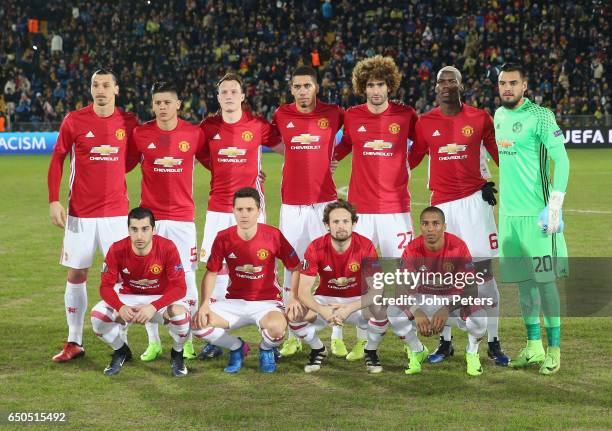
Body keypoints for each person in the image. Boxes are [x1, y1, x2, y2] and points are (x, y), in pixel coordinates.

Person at [409, 66, 509, 365]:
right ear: (435, 87)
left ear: (461, 85)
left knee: (484, 275)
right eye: (442, 81)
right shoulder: (425, 122)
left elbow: (502, 156)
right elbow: (409, 161)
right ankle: (446, 341)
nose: (447, 85)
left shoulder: (480, 118)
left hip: (475, 205)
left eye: (452, 80)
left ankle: (492, 340)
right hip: (443, 207)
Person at [47, 68, 139, 362]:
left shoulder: (128, 121)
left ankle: (120, 342)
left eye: (106, 85)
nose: (100, 90)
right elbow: (57, 159)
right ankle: (74, 341)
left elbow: (136, 156)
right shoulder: (74, 120)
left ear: (116, 89)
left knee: (122, 276)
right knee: (77, 273)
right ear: (91, 89)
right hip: (80, 214)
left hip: (115, 214)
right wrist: (53, 200)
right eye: (95, 85)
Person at [333, 55, 418, 361]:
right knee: (364, 278)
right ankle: (363, 341)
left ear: (389, 85)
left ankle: (414, 345)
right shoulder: (353, 116)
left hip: (396, 209)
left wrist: (404, 170)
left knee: (407, 276)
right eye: (370, 85)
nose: (376, 90)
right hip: (363, 212)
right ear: (363, 87)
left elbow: (420, 147)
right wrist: (329, 162)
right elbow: (342, 147)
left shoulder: (406, 115)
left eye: (381, 84)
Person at [197, 73, 283, 359]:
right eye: (224, 92)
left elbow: (287, 148)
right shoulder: (208, 127)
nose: (229, 96)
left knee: (262, 265)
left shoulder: (257, 125)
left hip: (252, 209)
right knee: (217, 271)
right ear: (218, 96)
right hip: (217, 208)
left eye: (234, 91)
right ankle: (220, 336)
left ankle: (270, 331)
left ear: (243, 96)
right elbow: (199, 156)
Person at [494, 63, 569, 375]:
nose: (507, 88)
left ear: (524, 85)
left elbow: (562, 161)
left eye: (513, 83)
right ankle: (534, 345)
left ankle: (554, 349)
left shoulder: (541, 116)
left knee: (546, 283)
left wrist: (553, 208)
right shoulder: (498, 116)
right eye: (502, 83)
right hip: (509, 217)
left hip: (537, 220)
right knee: (524, 286)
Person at [271, 66, 346, 358]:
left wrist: (334, 157)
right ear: (291, 89)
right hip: (291, 204)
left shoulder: (334, 113)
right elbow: (261, 143)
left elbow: (352, 138)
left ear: (316, 87)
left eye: (307, 86)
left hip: (324, 204)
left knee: (334, 268)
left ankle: (337, 333)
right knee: (292, 268)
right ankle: (294, 333)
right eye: (297, 86)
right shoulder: (281, 115)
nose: (302, 91)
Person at [130, 81, 208, 362]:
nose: (162, 107)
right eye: (157, 103)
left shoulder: (194, 134)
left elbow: (215, 162)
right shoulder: (140, 133)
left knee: (186, 277)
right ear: (153, 105)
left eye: (167, 102)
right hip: (149, 220)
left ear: (178, 104)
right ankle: (154, 343)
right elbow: (121, 164)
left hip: (183, 219)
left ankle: (185, 340)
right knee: (148, 279)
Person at [192, 187, 301, 373]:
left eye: (249, 209)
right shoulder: (223, 238)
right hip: (234, 302)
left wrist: (293, 297)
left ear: (259, 211)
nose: (244, 214)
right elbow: (211, 272)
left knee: (276, 330)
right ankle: (237, 347)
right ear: (233, 211)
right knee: (197, 324)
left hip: (267, 303)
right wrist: (203, 305)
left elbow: (295, 266)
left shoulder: (273, 235)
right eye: (239, 209)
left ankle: (266, 350)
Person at [287, 200, 388, 373]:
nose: (341, 226)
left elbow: (376, 289)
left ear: (354, 223)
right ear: (327, 225)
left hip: (356, 301)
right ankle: (317, 348)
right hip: (326, 299)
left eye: (345, 221)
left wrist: (350, 308)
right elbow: (303, 292)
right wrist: (321, 309)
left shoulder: (365, 246)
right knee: (294, 314)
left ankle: (370, 350)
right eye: (335, 222)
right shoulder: (315, 247)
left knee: (382, 309)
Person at [387, 207, 488, 376]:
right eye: (426, 224)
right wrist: (416, 311)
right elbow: (401, 289)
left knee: (481, 316)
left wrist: (447, 309)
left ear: (444, 226)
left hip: (452, 303)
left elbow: (471, 290)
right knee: (393, 311)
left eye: (435, 224)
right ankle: (417, 350)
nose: (430, 228)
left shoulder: (458, 247)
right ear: (421, 227)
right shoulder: (412, 249)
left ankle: (472, 353)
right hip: (424, 301)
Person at [90, 207, 190, 377]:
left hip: (159, 298)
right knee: (98, 317)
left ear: (153, 229)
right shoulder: (117, 249)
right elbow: (105, 286)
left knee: (182, 318)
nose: (139, 236)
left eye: (145, 229)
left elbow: (180, 287)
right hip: (128, 297)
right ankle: (121, 351)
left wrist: (153, 306)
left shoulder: (167, 247)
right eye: (134, 229)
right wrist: (120, 306)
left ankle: (177, 354)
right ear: (128, 229)